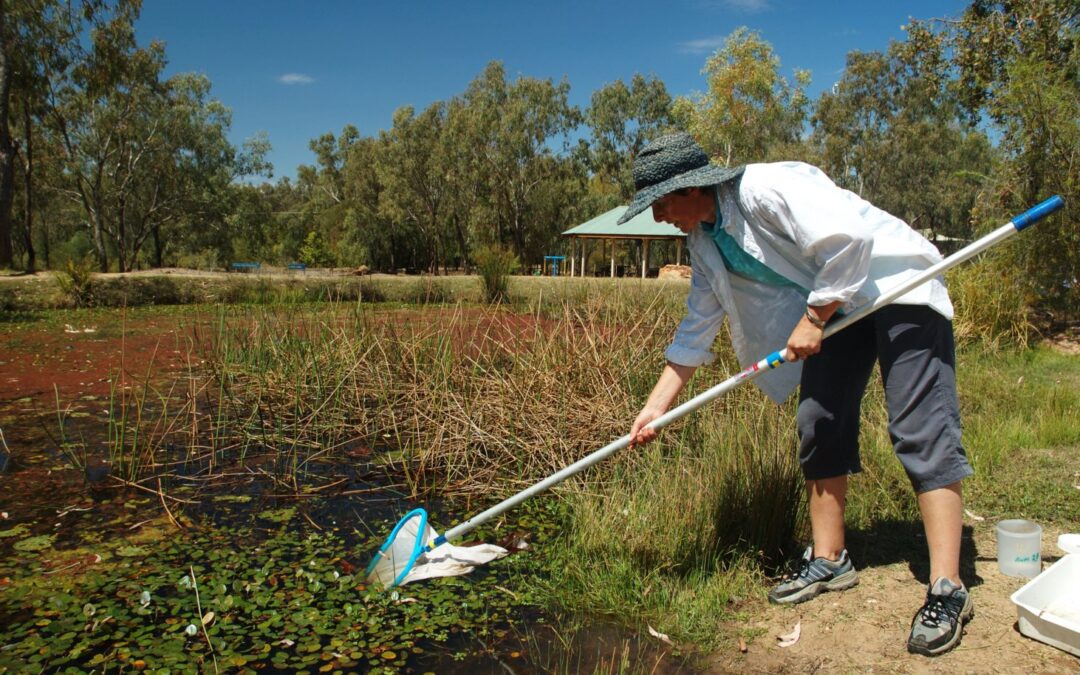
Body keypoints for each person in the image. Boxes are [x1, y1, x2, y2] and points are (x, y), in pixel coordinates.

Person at [622, 132, 974, 657]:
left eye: (661, 204)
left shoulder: (767, 187)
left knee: (918, 427)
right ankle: (831, 560)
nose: (657, 218)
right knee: (819, 421)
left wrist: (813, 318)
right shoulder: (703, 239)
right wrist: (655, 409)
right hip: (838, 309)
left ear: (691, 188)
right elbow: (697, 328)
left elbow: (850, 241)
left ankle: (948, 588)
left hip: (896, 288)